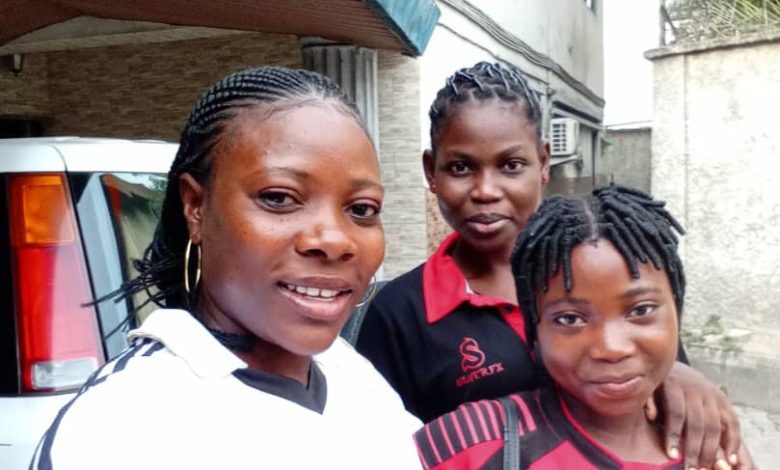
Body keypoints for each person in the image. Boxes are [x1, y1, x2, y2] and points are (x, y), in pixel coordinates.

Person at [356, 62, 745, 469]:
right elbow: (383, 446)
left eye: (510, 165)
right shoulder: (398, 314)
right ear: (430, 171)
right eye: (460, 167)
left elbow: (658, 362)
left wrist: (681, 375)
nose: (486, 190)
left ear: (543, 162)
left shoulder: (605, 270)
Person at [30, 66, 420, 470]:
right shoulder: (121, 427)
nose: (335, 240)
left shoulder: (352, 374)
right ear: (195, 206)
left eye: (362, 209)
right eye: (279, 198)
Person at [414, 185, 753, 470]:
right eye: (570, 319)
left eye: (641, 310)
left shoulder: (714, 448)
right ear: (534, 330)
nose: (611, 348)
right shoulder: (474, 443)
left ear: (676, 312)